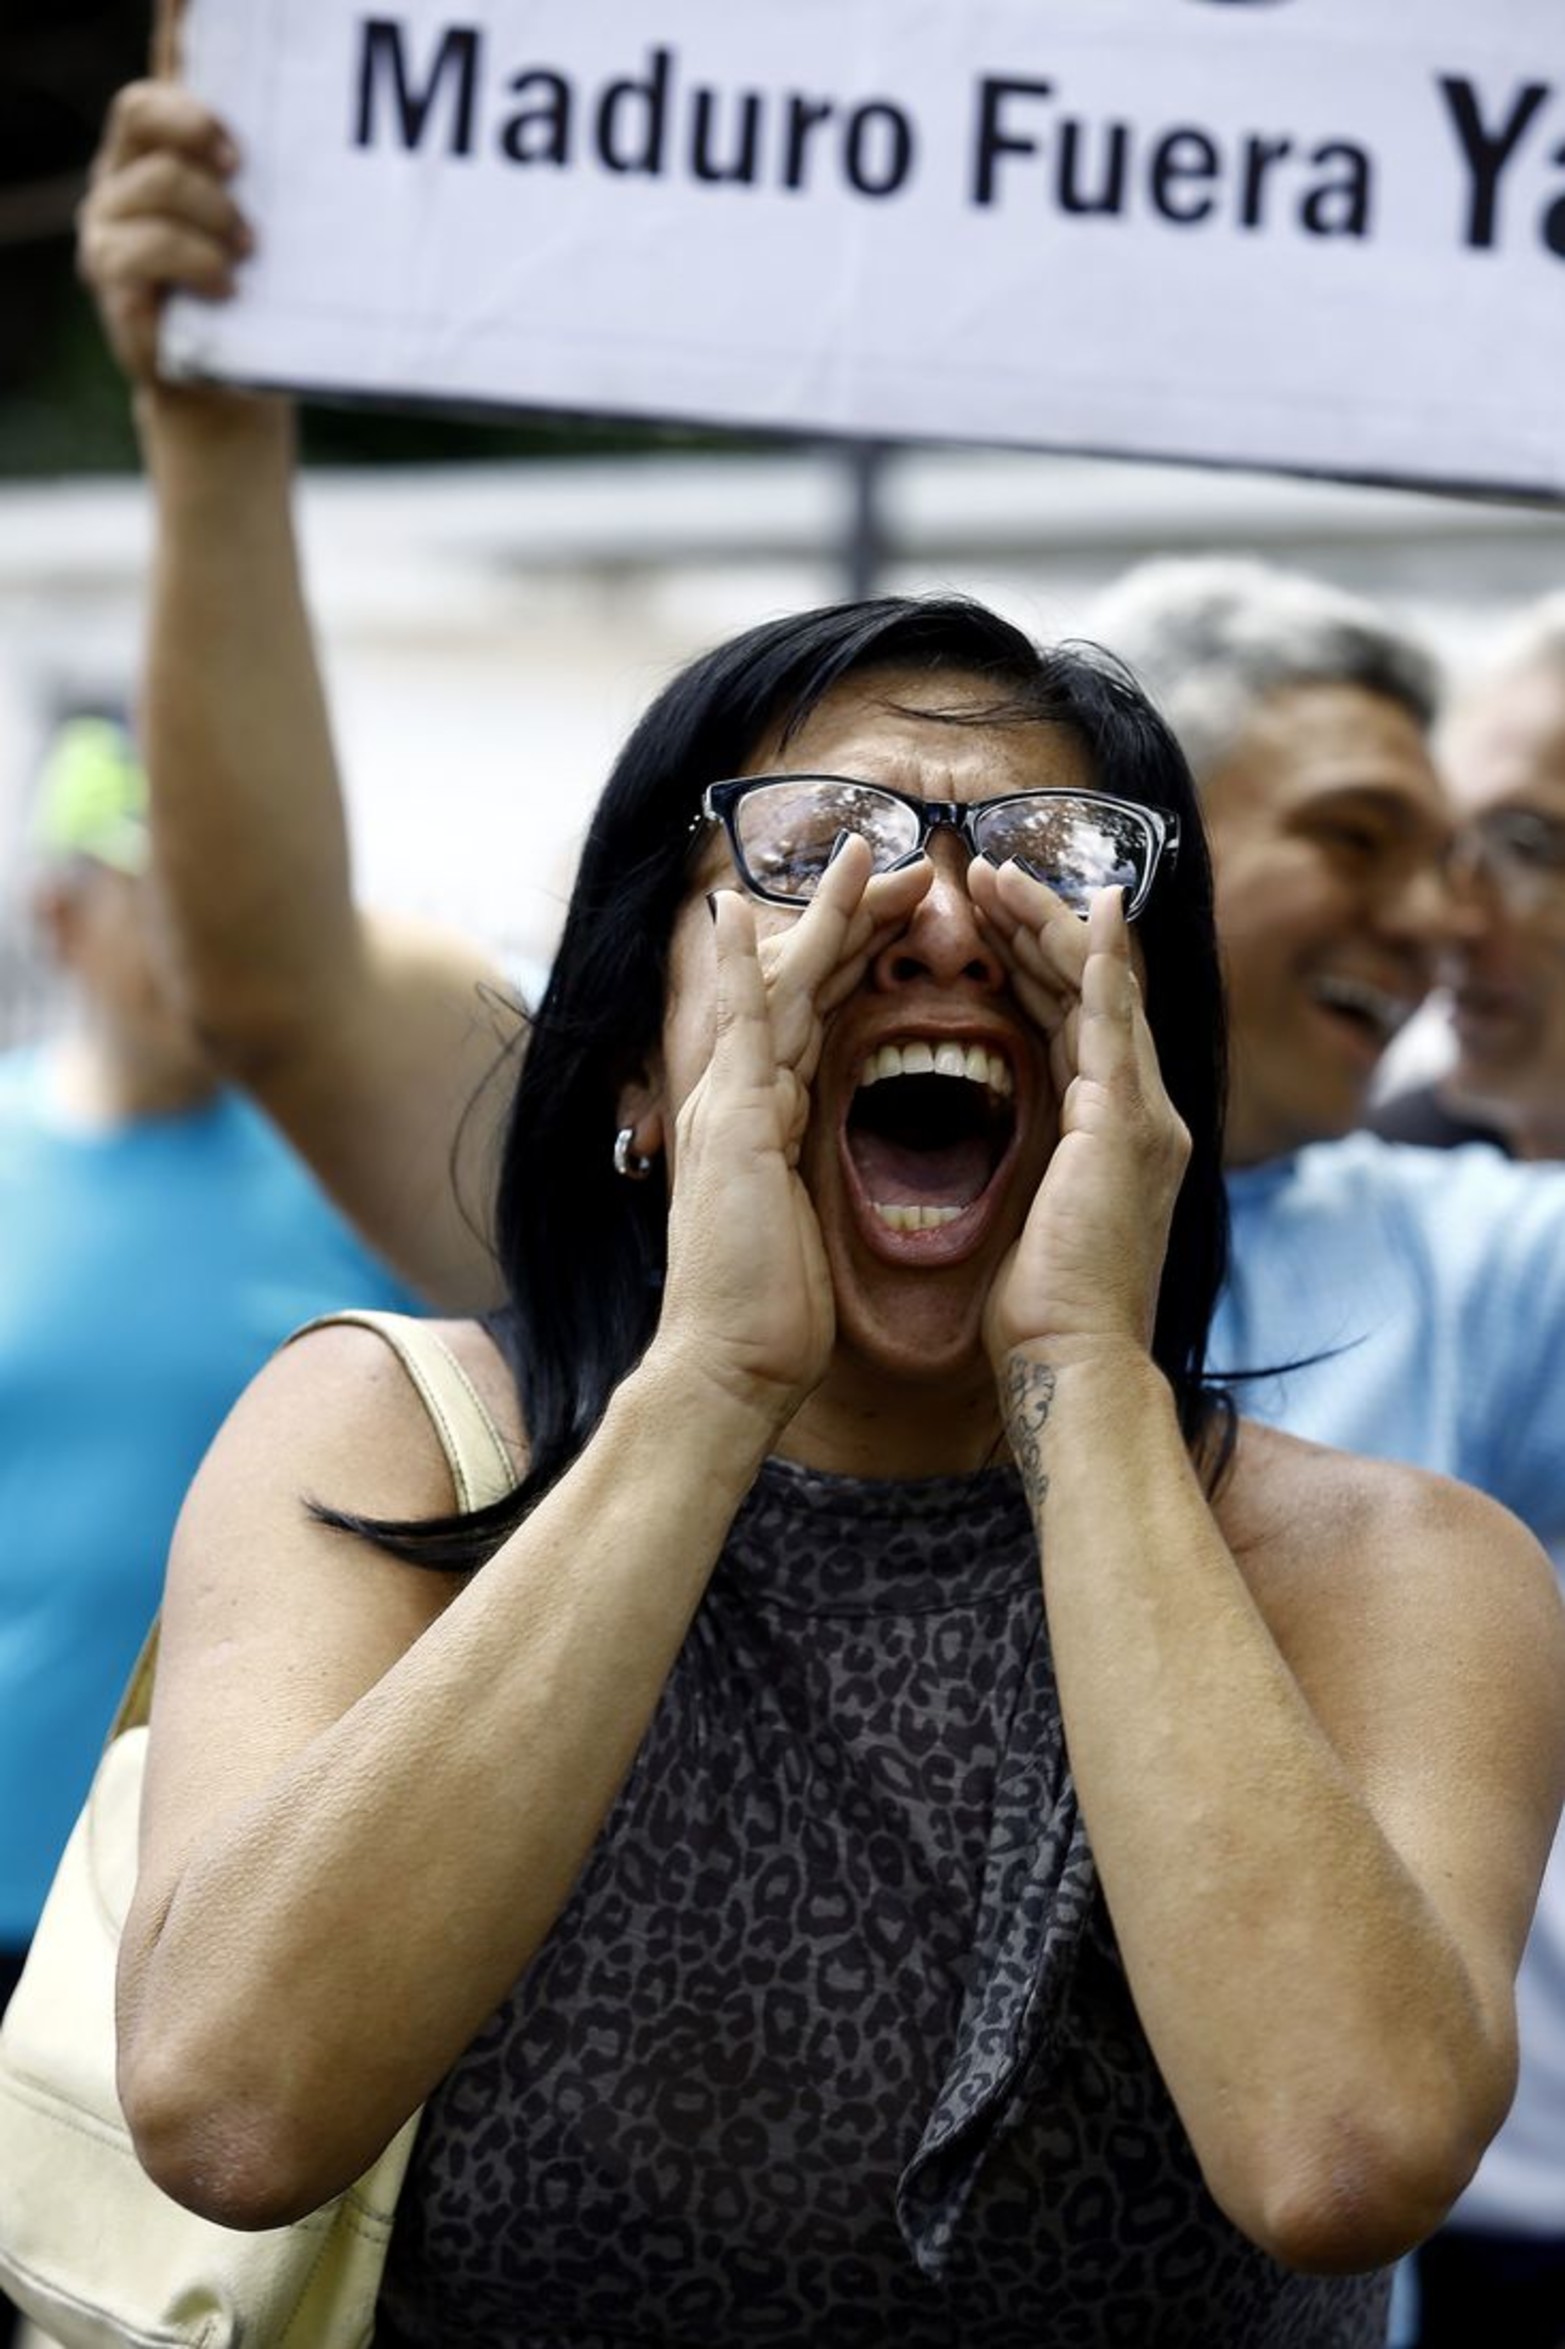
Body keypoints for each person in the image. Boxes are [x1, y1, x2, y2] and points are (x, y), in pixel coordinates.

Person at [108, 582, 1563, 2347]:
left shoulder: (1386, 1563)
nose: (940, 920)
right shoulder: (386, 1439)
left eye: (1044, 869)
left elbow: (1339, 2158)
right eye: (814, 852)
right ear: (635, 1058)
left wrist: (1082, 1371)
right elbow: (232, 2111)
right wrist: (710, 1380)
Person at [1365, 599, 1565, 2345]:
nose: (1452, 914)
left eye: (1530, 845)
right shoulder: (1388, 1186)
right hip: (1455, 2208)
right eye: (1452, 840)